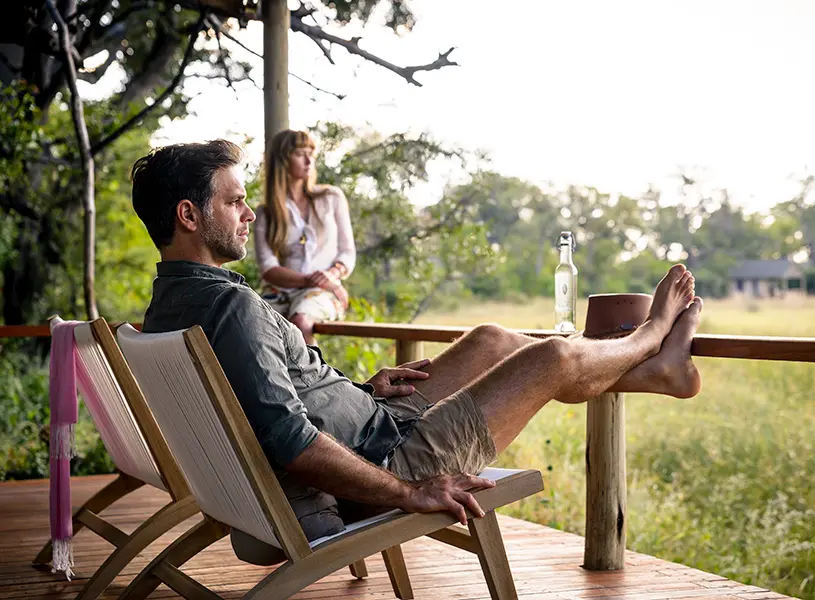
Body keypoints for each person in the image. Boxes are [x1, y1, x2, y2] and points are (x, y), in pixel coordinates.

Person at [130, 140, 703, 563]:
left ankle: (652, 373)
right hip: (383, 465)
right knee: (548, 360)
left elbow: (270, 403)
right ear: (189, 215)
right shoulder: (231, 310)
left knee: (492, 340)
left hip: (372, 425)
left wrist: (358, 392)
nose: (250, 213)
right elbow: (289, 441)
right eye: (234, 202)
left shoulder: (168, 309)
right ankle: (648, 338)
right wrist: (411, 492)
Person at [254, 129, 356, 344]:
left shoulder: (331, 197)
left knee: (300, 321)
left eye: (312, 153)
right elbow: (269, 269)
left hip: (323, 293)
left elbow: (347, 252)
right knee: (247, 325)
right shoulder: (266, 212)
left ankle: (312, 378)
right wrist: (312, 280)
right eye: (300, 153)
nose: (309, 160)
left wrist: (332, 276)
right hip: (280, 293)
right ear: (282, 160)